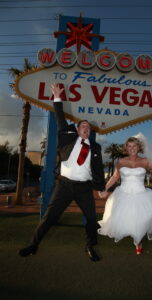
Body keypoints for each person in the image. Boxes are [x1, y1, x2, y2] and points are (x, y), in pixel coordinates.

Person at [19, 84, 105, 262]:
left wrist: (101, 187)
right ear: (77, 129)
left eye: (88, 127)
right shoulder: (67, 138)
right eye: (83, 126)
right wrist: (57, 98)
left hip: (84, 188)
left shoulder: (95, 147)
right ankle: (33, 246)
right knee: (49, 217)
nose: (86, 128)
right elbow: (60, 118)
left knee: (90, 219)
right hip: (64, 185)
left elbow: (98, 169)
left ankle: (90, 246)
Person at [98, 133, 152, 255]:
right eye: (129, 146)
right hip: (123, 194)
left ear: (139, 147)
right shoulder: (121, 161)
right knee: (125, 220)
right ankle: (136, 240)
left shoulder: (145, 161)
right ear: (126, 148)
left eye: (134, 146)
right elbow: (115, 177)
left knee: (141, 220)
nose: (132, 148)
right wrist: (104, 188)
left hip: (141, 195)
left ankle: (138, 242)